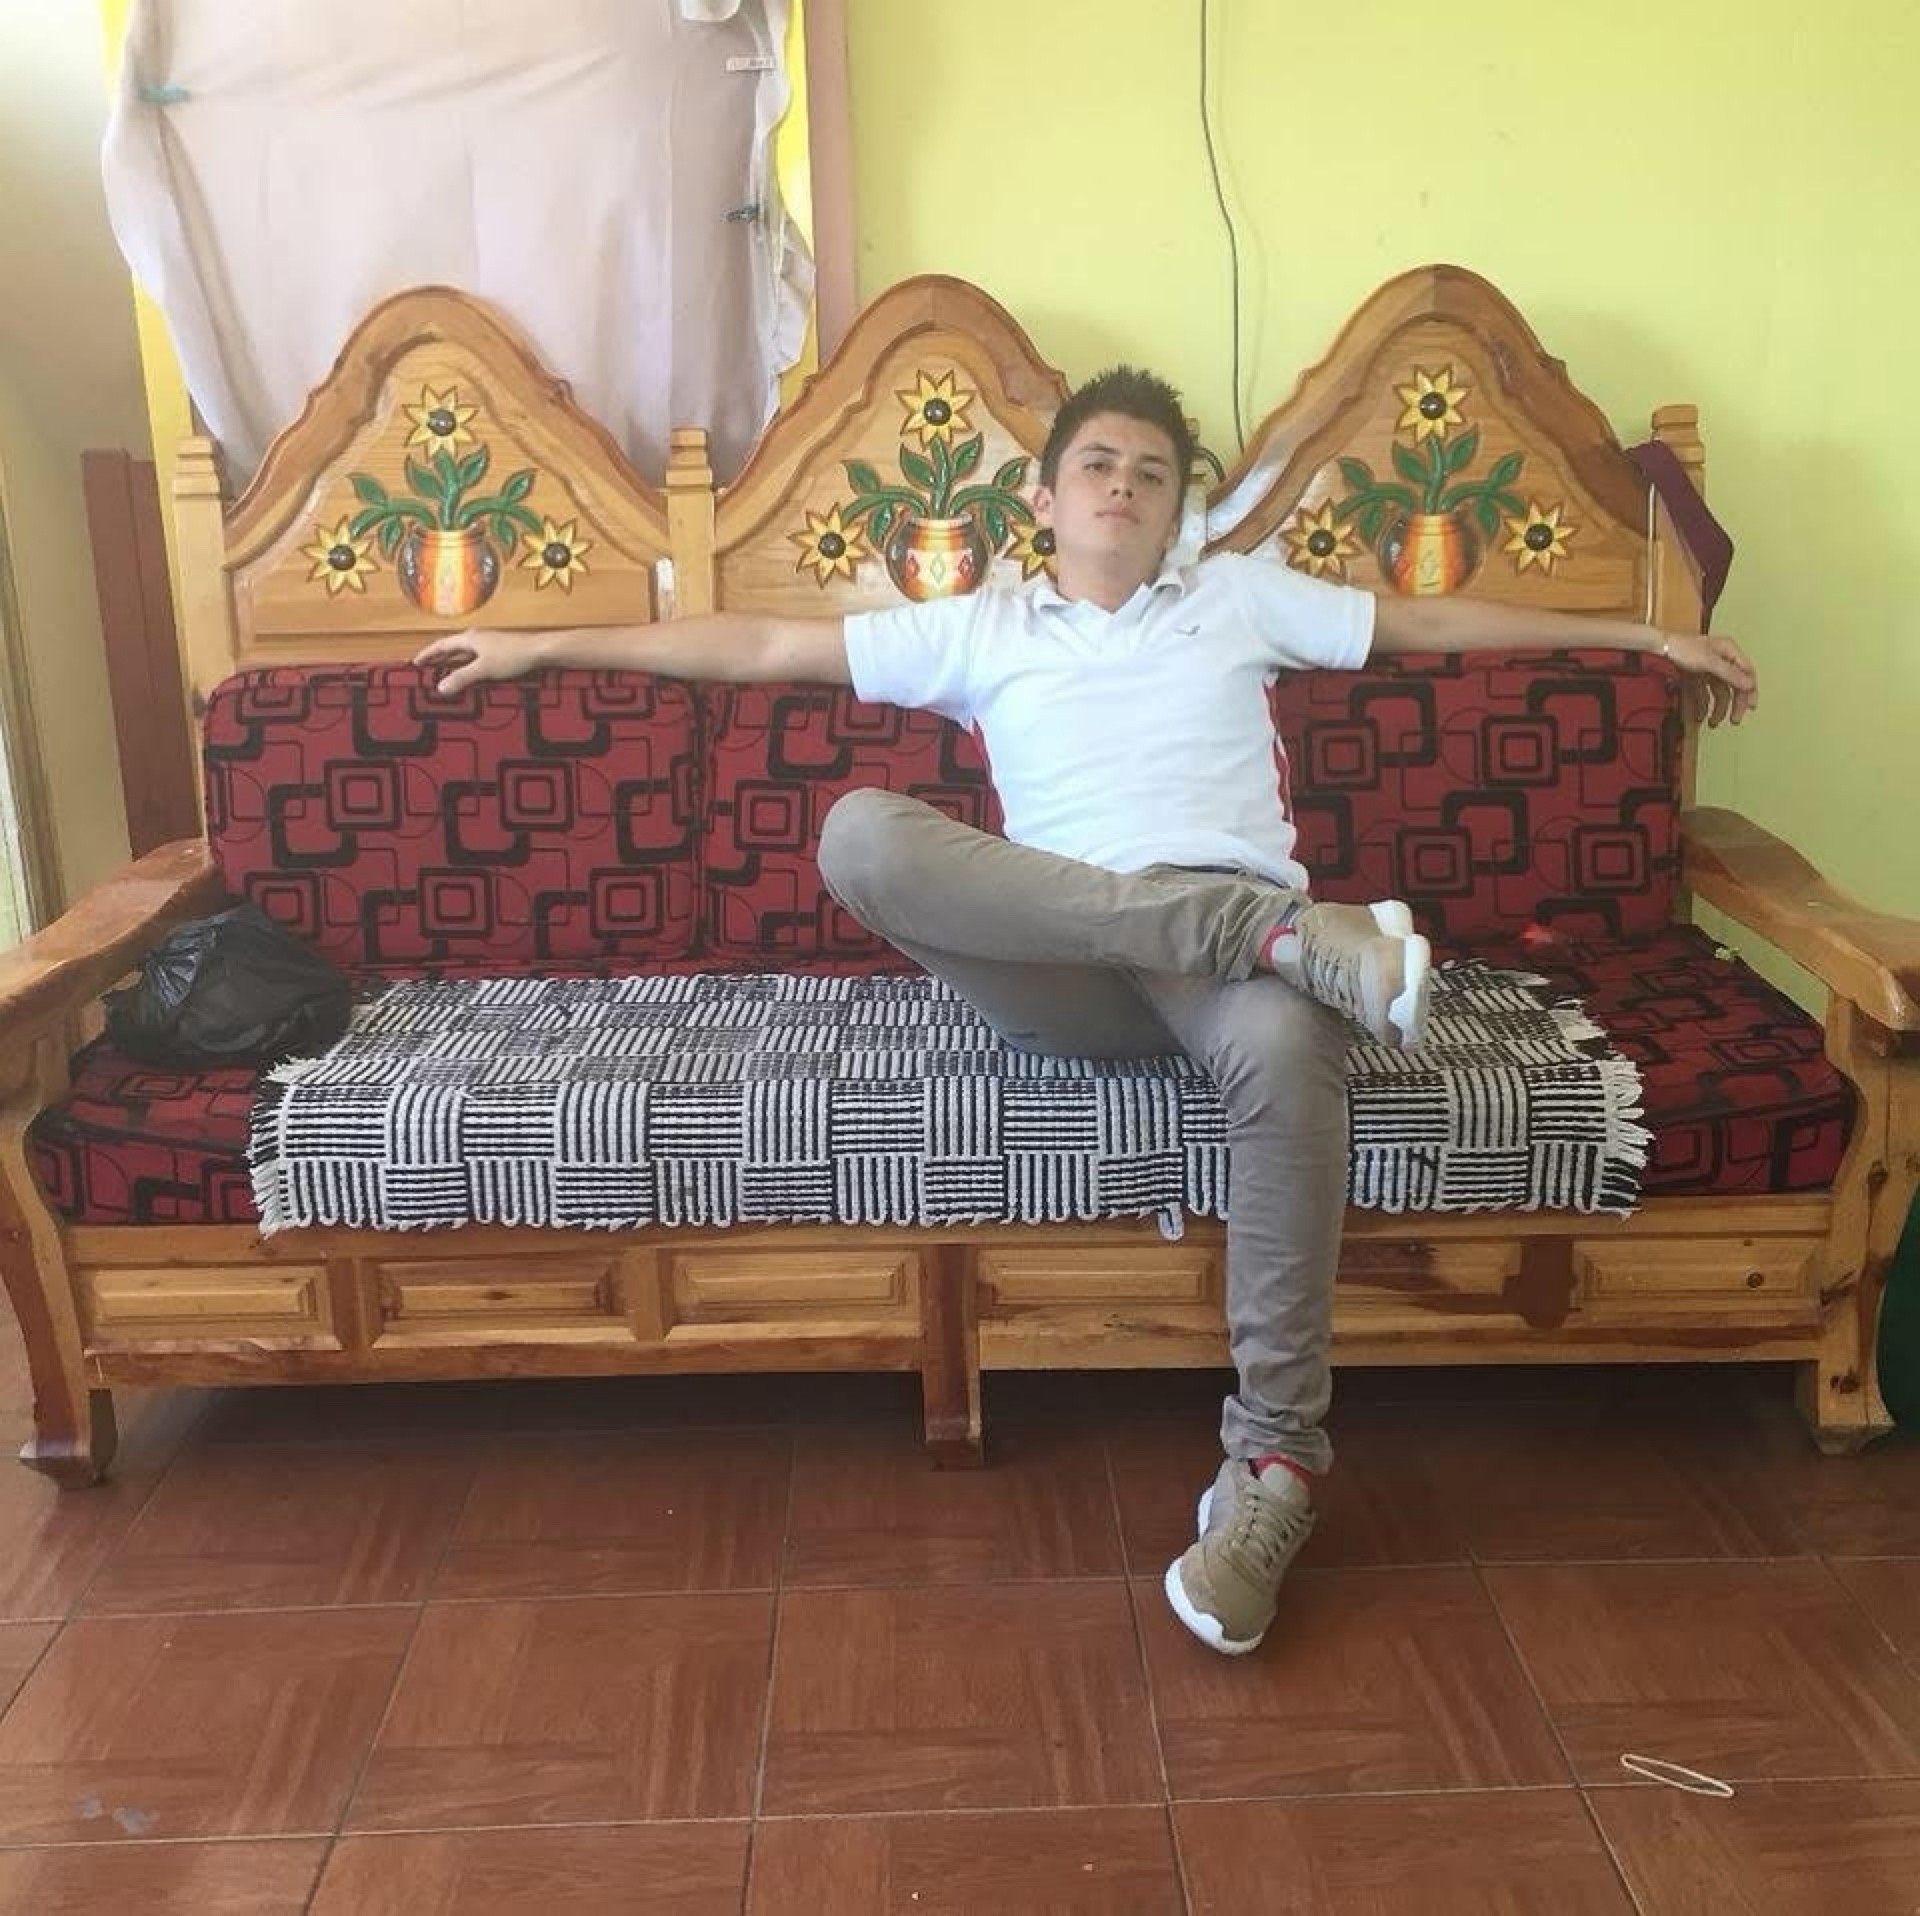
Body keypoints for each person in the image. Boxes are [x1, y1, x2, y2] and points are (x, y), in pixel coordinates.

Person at [417, 365, 1757, 1656]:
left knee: (1290, 1057)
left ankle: (1275, 1470)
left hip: (1241, 973)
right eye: (1099, 465)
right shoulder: (982, 627)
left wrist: (1648, 637)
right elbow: (764, 643)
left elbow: (1430, 626)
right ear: (1045, 499)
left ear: (1177, 513)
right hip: (1077, 958)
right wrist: (543, 643)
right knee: (861, 833)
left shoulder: (1235, 599)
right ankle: (1275, 936)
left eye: (1152, 474)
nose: (1124, 486)